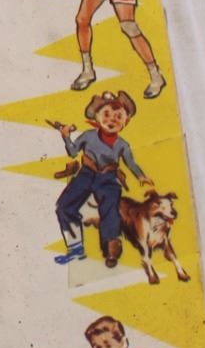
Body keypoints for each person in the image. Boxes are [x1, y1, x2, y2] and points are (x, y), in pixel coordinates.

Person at [51, 90, 155, 268]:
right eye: (106, 114)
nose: (112, 120)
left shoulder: (123, 145)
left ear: (125, 122)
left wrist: (141, 176)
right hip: (86, 174)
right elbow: (73, 152)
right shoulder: (88, 136)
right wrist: (66, 137)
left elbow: (131, 163)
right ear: (97, 117)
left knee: (110, 209)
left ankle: (112, 249)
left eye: (118, 116)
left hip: (108, 178)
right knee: (64, 206)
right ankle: (75, 248)